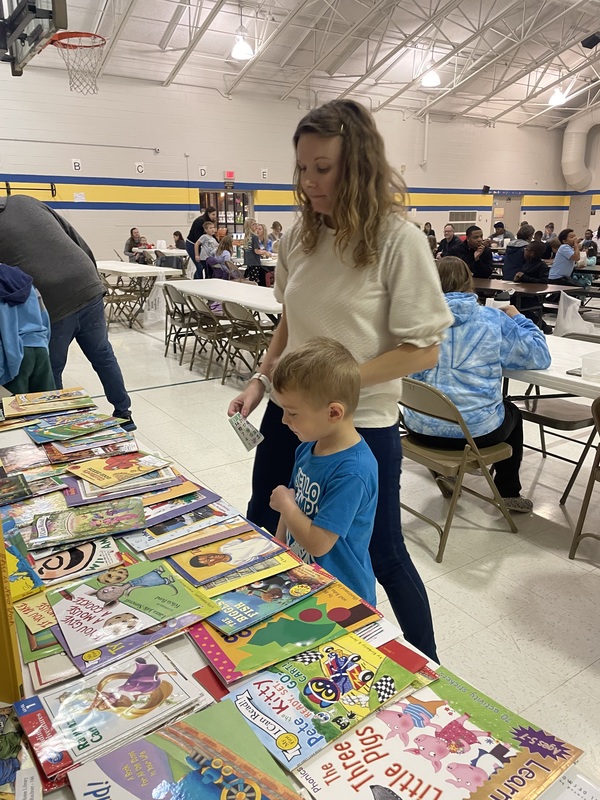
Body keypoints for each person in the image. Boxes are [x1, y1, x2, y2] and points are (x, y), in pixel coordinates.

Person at [228, 99, 453, 661]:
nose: (308, 182)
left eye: (322, 168)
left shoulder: (397, 240)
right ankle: (262, 647)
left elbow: (423, 348)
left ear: (357, 165)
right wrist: (262, 378)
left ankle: (430, 664)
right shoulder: (299, 236)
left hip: (358, 428)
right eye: (301, 168)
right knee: (267, 516)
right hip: (290, 414)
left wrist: (341, 383)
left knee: (380, 550)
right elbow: (289, 316)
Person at [404, 256, 551, 513]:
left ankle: (446, 474)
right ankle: (508, 492)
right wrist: (518, 317)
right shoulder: (492, 320)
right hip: (474, 435)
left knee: (441, 404)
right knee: (512, 412)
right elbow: (539, 356)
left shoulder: (412, 321)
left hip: (418, 428)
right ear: (468, 281)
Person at [0, 194, 135, 430]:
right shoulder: (26, 201)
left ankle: (58, 423)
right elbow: (75, 237)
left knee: (52, 366)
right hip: (87, 283)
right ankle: (124, 414)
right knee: (103, 356)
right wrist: (92, 280)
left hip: (54, 297)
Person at [269, 338, 378, 605]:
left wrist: (285, 506)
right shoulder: (308, 448)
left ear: (333, 412)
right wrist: (279, 542)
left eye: (292, 413)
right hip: (306, 578)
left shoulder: (353, 472)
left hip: (342, 594)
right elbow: (295, 497)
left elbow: (319, 543)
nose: (284, 420)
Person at [0, 262, 54, 393]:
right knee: (47, 407)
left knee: (15, 410)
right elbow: (44, 316)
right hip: (39, 348)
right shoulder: (23, 278)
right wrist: (43, 343)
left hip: (11, 355)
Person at [185, 206, 217, 278]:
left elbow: (212, 236)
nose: (214, 217)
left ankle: (199, 279)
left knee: (203, 266)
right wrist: (197, 254)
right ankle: (198, 282)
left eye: (215, 214)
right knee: (199, 265)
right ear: (208, 214)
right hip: (192, 244)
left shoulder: (209, 223)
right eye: (213, 214)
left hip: (199, 244)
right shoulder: (199, 222)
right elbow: (197, 239)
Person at [243, 218, 270, 285]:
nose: (256, 226)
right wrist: (265, 252)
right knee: (254, 281)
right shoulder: (255, 237)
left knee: (249, 280)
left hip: (248, 262)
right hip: (254, 262)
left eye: (256, 224)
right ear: (249, 227)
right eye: (253, 225)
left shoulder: (247, 237)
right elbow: (256, 251)